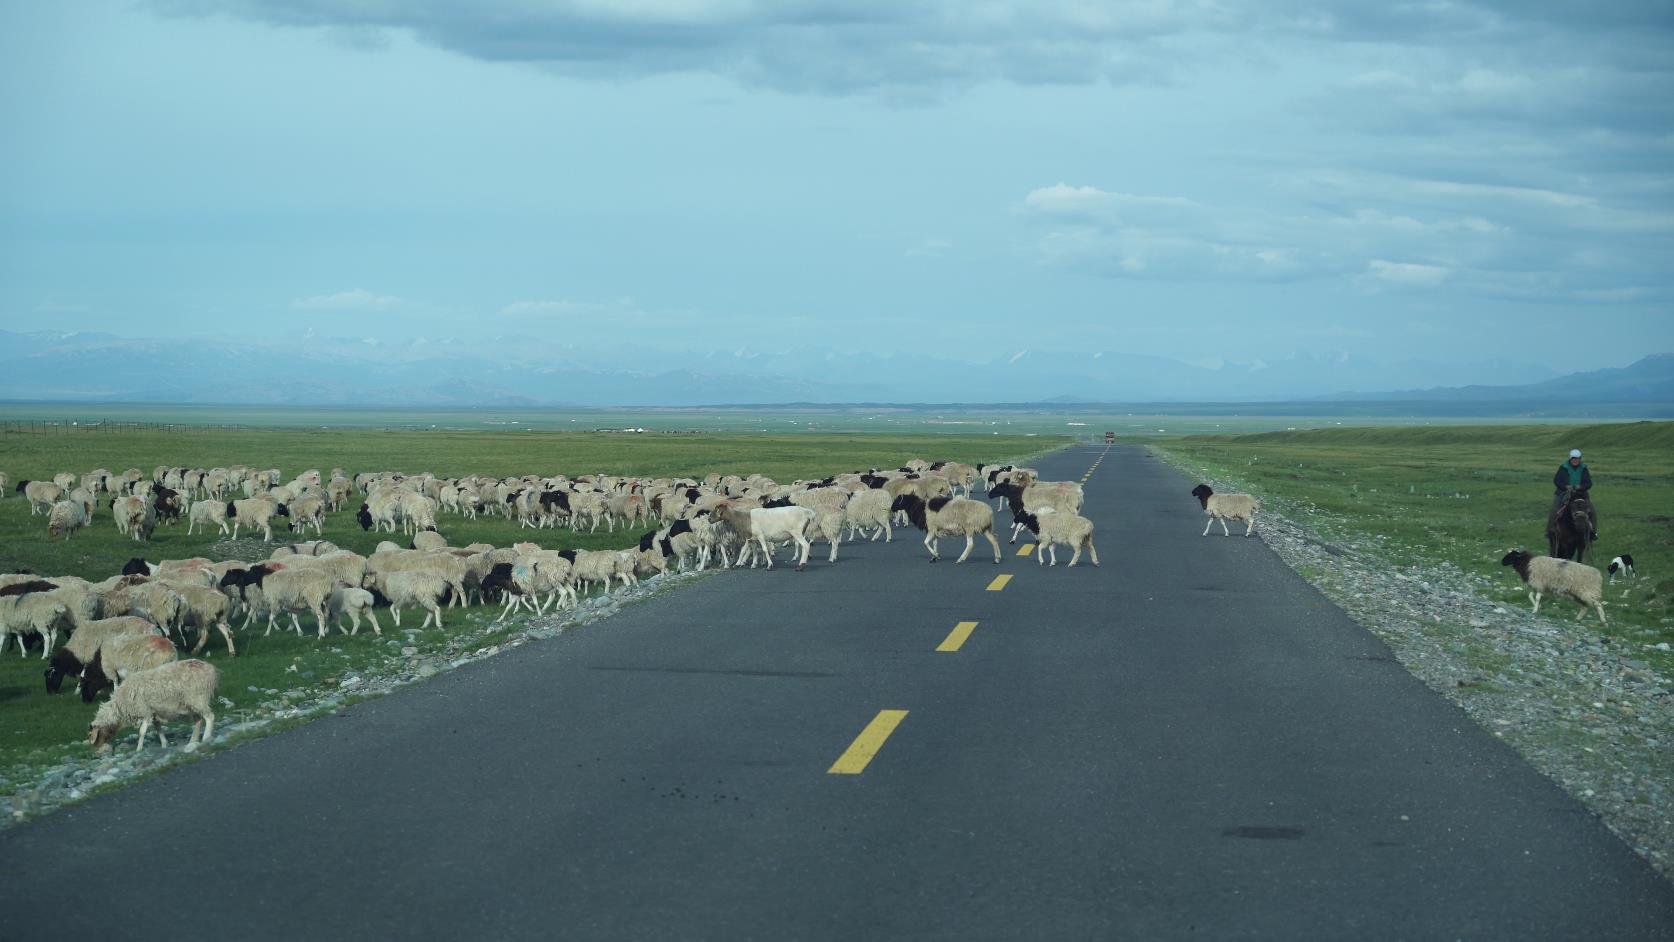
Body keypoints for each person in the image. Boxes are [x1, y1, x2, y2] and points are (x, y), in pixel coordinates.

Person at [1548, 448, 1597, 538]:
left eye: (1577, 458)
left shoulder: (1584, 468)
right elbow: (1557, 481)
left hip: (1580, 494)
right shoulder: (1563, 467)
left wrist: (1581, 487)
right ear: (1570, 459)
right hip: (1563, 493)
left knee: (1592, 511)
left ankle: (1593, 532)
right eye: (1573, 458)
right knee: (1554, 509)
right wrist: (1566, 486)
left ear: (1580, 459)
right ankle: (1550, 531)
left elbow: (1588, 483)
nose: (1575, 460)